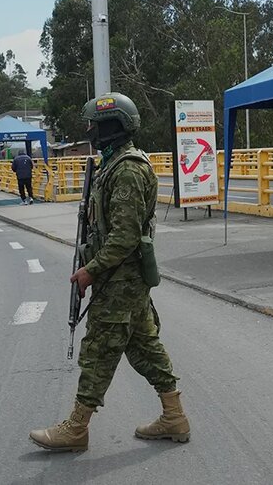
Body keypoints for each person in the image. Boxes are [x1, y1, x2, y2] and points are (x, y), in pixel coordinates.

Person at [29, 93, 188, 452]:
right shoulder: (114, 165)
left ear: (112, 127)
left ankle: (76, 428)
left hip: (120, 282)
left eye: (95, 126)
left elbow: (125, 236)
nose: (90, 131)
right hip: (124, 280)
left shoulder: (128, 170)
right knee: (145, 347)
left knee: (99, 351)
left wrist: (90, 271)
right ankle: (174, 416)